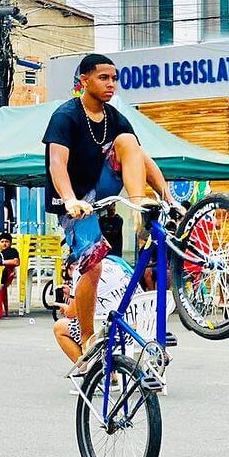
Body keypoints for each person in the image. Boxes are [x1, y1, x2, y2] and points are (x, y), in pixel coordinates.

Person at [43, 53, 182, 361]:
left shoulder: (114, 116)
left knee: (130, 142)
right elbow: (56, 163)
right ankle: (89, 335)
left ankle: (137, 207)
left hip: (102, 184)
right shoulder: (66, 116)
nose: (111, 84)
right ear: (84, 81)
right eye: (103, 78)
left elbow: (142, 159)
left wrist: (167, 198)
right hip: (75, 201)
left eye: (114, 78)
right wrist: (69, 199)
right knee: (91, 265)